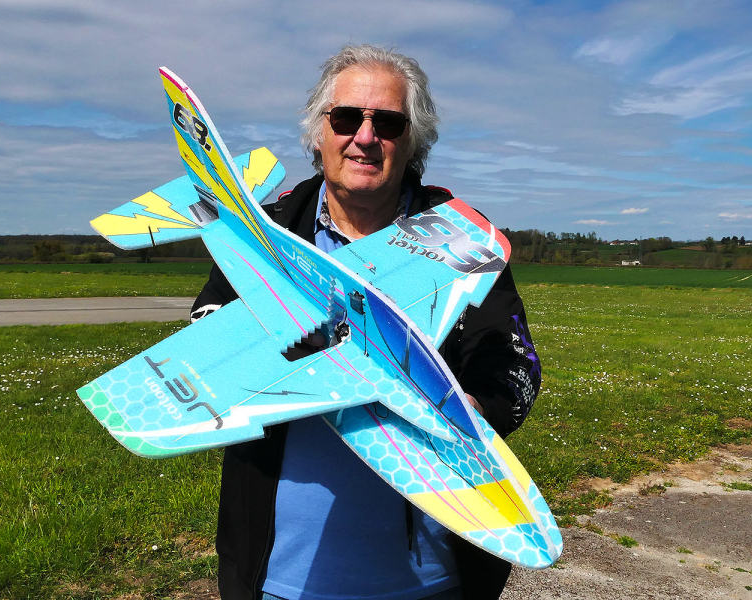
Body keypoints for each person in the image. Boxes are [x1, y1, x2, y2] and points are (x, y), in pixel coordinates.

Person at [191, 44, 541, 600]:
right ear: (319, 132)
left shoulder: (463, 237)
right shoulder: (266, 230)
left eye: (389, 124)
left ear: (413, 141)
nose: (365, 137)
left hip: (430, 578)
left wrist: (479, 408)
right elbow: (206, 329)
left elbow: (513, 360)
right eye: (347, 118)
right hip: (280, 575)